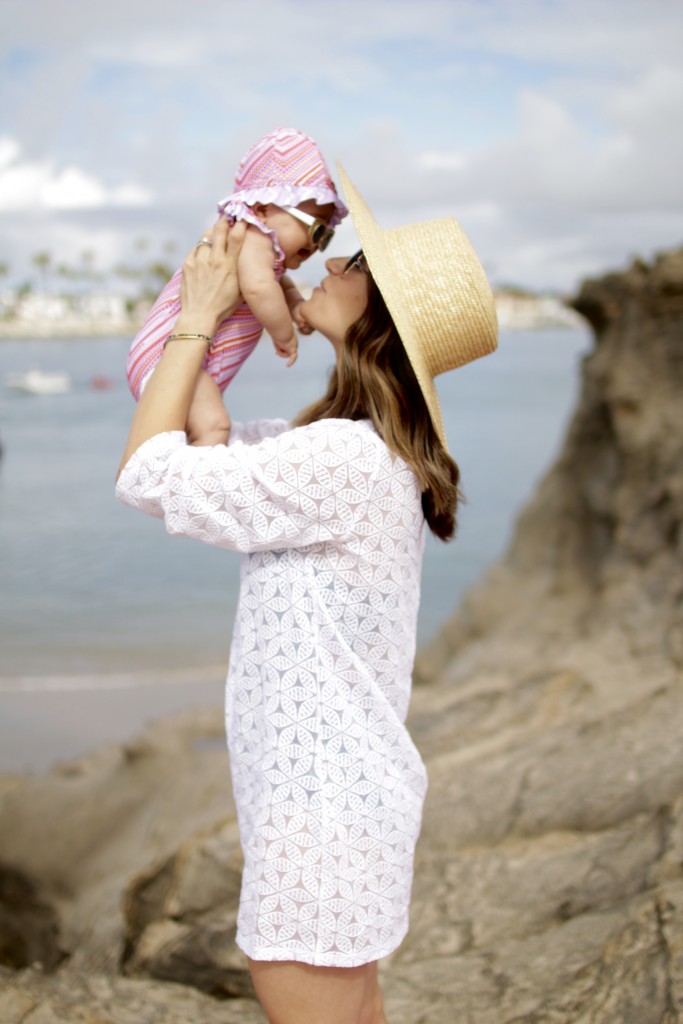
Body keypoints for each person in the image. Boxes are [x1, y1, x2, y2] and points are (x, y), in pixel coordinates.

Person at [116, 166, 498, 1024]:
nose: (331, 266)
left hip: (321, 814)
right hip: (335, 801)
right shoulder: (346, 449)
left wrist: (200, 321)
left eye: (353, 264)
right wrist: (237, 298)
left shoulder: (344, 462)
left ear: (380, 316)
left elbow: (147, 474)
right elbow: (194, 446)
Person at [126, 127, 347, 445]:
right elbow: (259, 288)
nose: (319, 244)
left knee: (191, 430)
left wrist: (297, 304)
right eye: (316, 230)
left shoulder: (266, 253)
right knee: (214, 426)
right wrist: (284, 333)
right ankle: (196, 491)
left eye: (327, 236)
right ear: (263, 209)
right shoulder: (251, 235)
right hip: (165, 354)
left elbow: (278, 284)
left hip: (189, 355)